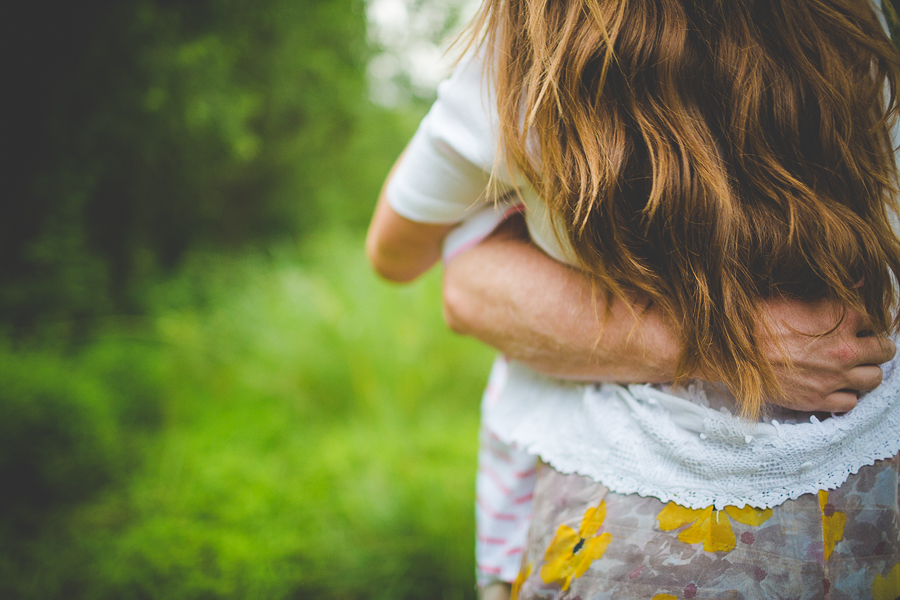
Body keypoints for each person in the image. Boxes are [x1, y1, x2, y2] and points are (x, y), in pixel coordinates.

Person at [367, 0, 900, 597]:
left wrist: (518, 213)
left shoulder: (530, 46)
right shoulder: (858, 22)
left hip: (629, 518)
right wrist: (737, 344)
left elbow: (395, 251)